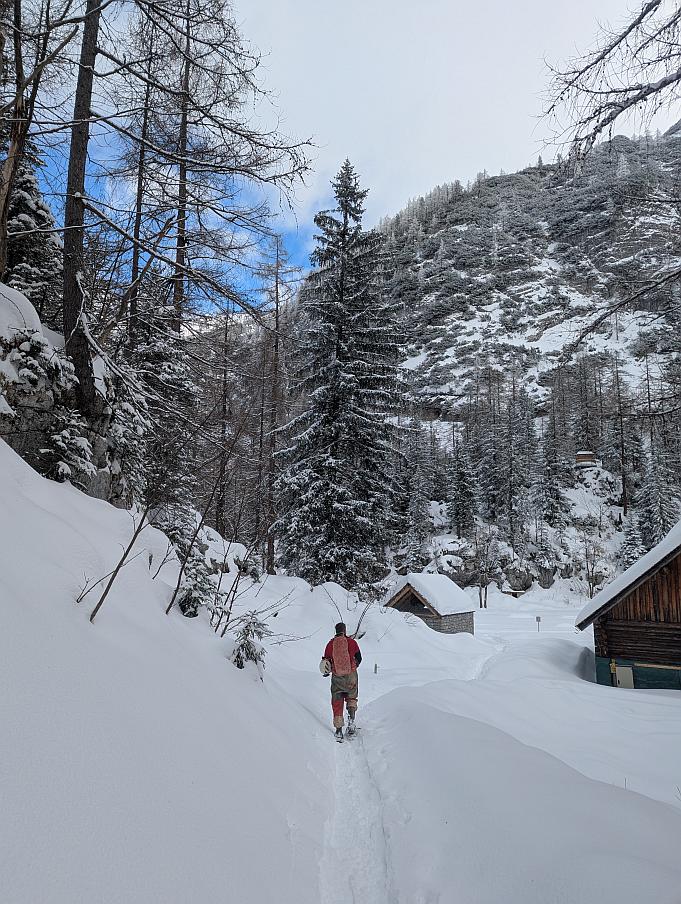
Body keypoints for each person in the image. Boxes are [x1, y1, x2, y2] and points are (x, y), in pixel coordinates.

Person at [322, 622, 362, 741]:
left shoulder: (330, 644)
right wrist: (353, 667)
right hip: (351, 676)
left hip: (337, 678)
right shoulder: (352, 642)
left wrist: (328, 672)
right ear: (344, 631)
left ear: (336, 631)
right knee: (351, 698)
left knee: (337, 701)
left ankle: (339, 731)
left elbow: (326, 662)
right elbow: (359, 658)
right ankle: (351, 724)